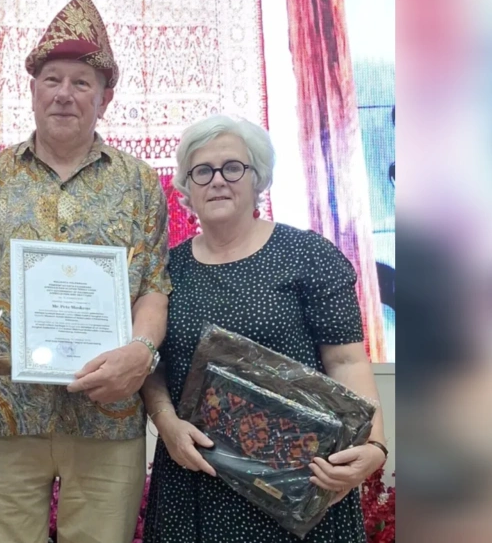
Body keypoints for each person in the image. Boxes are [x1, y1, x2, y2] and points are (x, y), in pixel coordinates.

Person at [0, 0, 171, 543]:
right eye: (53, 79)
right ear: (32, 91)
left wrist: (141, 355)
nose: (65, 95)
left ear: (105, 97)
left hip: (108, 414)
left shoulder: (139, 183)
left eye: (82, 82)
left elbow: (151, 289)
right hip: (6, 412)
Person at [139, 115, 389, 542]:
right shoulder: (166, 270)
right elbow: (151, 363)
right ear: (187, 189)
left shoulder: (308, 255)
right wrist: (165, 423)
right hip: (197, 478)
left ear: (258, 179)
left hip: (300, 479)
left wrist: (374, 446)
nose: (217, 180)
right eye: (202, 171)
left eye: (233, 167)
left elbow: (346, 359)